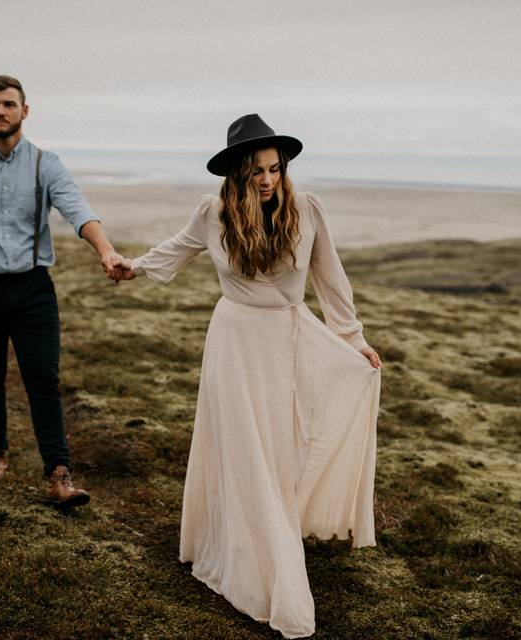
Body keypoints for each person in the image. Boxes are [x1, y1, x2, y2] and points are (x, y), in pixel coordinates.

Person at [113, 114, 382, 638]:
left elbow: (330, 276)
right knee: (242, 447)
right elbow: (176, 249)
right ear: (237, 173)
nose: (266, 179)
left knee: (279, 449)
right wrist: (134, 266)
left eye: (274, 169)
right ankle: (246, 549)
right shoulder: (213, 215)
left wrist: (354, 339)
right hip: (234, 342)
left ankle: (273, 532)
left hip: (287, 339)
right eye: (256, 170)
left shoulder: (306, 210)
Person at [0, 75, 124, 507]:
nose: (1, 111)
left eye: (9, 104)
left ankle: (58, 473)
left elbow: (77, 208)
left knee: (43, 378)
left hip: (33, 287)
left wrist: (105, 251)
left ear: (24, 110)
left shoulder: (44, 163)